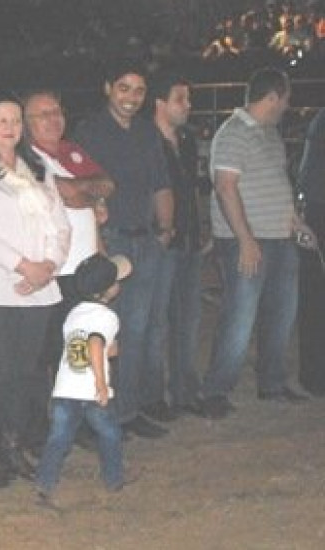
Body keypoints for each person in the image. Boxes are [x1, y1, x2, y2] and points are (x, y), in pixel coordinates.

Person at [0, 93, 70, 487]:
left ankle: (11, 446)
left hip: (40, 288)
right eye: (1, 120)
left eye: (16, 121)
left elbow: (61, 225)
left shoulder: (38, 168)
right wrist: (24, 266)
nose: (10, 128)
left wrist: (49, 266)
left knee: (26, 373)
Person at [199, 67, 312, 419]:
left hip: (279, 237)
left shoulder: (269, 133)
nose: (288, 105)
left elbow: (276, 181)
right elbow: (225, 187)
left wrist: (293, 220)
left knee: (281, 313)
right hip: (246, 239)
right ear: (273, 97)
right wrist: (245, 240)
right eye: (286, 98)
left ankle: (272, 382)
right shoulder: (233, 133)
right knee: (240, 316)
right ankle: (215, 390)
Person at [73, 60, 174, 439]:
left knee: (138, 329)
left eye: (139, 90)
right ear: (108, 88)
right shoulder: (89, 132)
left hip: (145, 240)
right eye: (124, 88)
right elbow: (79, 188)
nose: (132, 97)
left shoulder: (147, 132)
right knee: (105, 329)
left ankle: (127, 410)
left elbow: (160, 183)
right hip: (110, 239)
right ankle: (97, 414)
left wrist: (165, 230)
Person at [23, 89, 115, 451]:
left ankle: (79, 424)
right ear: (26, 124)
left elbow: (106, 184)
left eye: (56, 111)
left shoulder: (71, 151)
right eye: (42, 114)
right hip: (53, 271)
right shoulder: (27, 157)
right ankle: (39, 430)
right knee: (45, 356)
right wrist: (92, 195)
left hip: (86, 270)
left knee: (81, 352)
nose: (53, 119)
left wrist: (90, 195)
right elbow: (71, 193)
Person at [34, 253, 132, 504]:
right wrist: (101, 383)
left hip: (65, 387)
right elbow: (95, 344)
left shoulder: (73, 313)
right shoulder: (107, 317)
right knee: (109, 433)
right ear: (108, 290)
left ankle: (45, 480)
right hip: (90, 390)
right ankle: (114, 478)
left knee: (59, 437)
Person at [147, 71, 211, 418]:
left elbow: (192, 189)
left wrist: (199, 227)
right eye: (180, 99)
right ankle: (154, 396)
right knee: (157, 322)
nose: (188, 106)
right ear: (160, 103)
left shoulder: (186, 140)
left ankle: (185, 391)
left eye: (188, 99)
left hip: (186, 239)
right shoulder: (145, 140)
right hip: (162, 242)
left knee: (189, 318)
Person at [297, 108, 325, 396]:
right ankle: (315, 374)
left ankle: (314, 373)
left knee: (315, 296)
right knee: (316, 297)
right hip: (320, 211)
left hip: (316, 209)